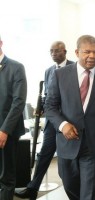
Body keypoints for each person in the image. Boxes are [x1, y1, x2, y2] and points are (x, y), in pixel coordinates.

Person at [44, 35, 95, 200]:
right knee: (70, 186)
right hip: (67, 143)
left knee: (91, 192)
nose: (92, 56)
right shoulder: (59, 75)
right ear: (77, 52)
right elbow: (50, 106)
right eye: (87, 52)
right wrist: (63, 125)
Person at [15, 41, 74, 199]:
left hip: (69, 122)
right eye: (51, 51)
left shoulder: (74, 68)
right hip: (51, 121)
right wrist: (40, 107)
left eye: (57, 51)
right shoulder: (48, 71)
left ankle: (76, 192)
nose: (54, 54)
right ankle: (33, 188)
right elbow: (48, 94)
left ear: (65, 51)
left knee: (67, 160)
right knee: (44, 154)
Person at [0, 35, 27, 200]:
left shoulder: (16, 67)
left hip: (6, 131)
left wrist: (4, 130)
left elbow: (18, 102)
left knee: (5, 177)